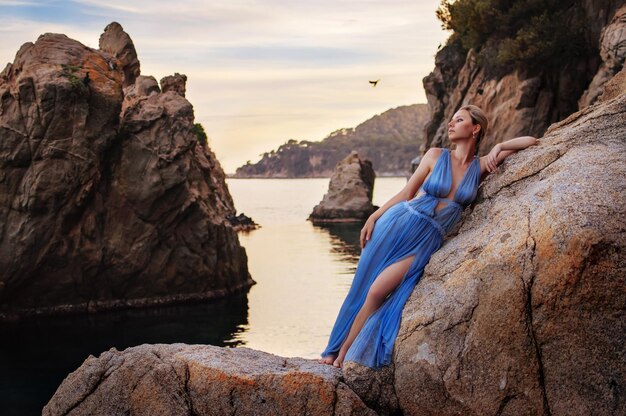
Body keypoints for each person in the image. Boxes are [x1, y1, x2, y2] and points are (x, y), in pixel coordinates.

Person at [318, 104, 538, 369]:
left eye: (459, 120)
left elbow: (531, 141)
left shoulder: (481, 166)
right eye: (452, 119)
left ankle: (346, 353)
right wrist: (374, 216)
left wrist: (499, 147)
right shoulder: (435, 155)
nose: (451, 124)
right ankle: (333, 353)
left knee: (377, 292)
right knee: (361, 288)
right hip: (397, 225)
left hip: (426, 242)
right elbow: (406, 193)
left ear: (475, 128)